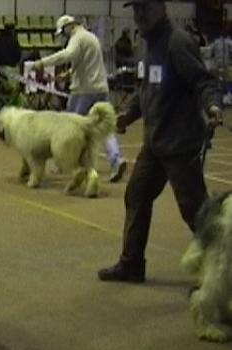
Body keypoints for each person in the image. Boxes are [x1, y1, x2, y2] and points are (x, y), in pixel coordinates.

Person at [98, 0, 223, 283]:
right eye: (135, 9)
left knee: (196, 212)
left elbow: (203, 81)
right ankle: (131, 264)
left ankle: (223, 271)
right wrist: (127, 116)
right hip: (155, 144)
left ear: (160, 7)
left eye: (144, 7)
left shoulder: (177, 42)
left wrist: (213, 107)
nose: (139, 14)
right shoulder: (148, 44)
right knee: (137, 196)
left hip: (181, 145)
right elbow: (146, 90)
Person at [33, 15, 129, 183]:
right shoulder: (91, 37)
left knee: (68, 128)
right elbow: (86, 62)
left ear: (68, 27)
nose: (64, 36)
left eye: (63, 32)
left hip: (83, 91)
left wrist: (43, 62)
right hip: (100, 87)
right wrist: (69, 74)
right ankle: (116, 160)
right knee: (104, 126)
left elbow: (67, 55)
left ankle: (63, 162)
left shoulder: (77, 38)